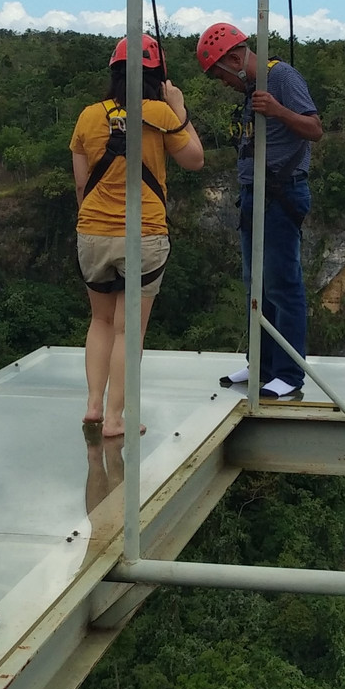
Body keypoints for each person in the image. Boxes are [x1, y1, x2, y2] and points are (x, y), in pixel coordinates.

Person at [71, 35, 204, 437]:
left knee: (99, 320)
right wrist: (180, 110)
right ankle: (115, 418)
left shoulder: (89, 116)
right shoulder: (160, 113)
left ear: (114, 72)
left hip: (92, 232)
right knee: (130, 330)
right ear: (157, 77)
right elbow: (195, 159)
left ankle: (93, 405)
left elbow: (81, 186)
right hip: (142, 234)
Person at [196, 23, 323, 399]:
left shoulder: (280, 76)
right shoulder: (253, 88)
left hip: (281, 193)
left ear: (235, 60)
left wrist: (279, 111)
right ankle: (262, 364)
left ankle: (288, 372)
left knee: (283, 285)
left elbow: (314, 128)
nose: (224, 84)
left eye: (221, 76)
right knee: (257, 284)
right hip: (256, 194)